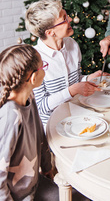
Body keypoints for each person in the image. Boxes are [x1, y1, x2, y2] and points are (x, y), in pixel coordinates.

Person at [25, 0, 108, 131]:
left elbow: (77, 79)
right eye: (64, 19)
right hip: (51, 125)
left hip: (76, 113)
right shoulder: (34, 59)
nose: (70, 18)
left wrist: (90, 78)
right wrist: (72, 91)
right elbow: (41, 106)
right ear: (50, 32)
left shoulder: (72, 45)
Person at [0, 44, 59, 201]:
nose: (44, 71)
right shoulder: (10, 116)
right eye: (43, 67)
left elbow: (39, 134)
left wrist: (47, 168)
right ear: (33, 78)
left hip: (34, 183)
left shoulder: (29, 96)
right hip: (16, 196)